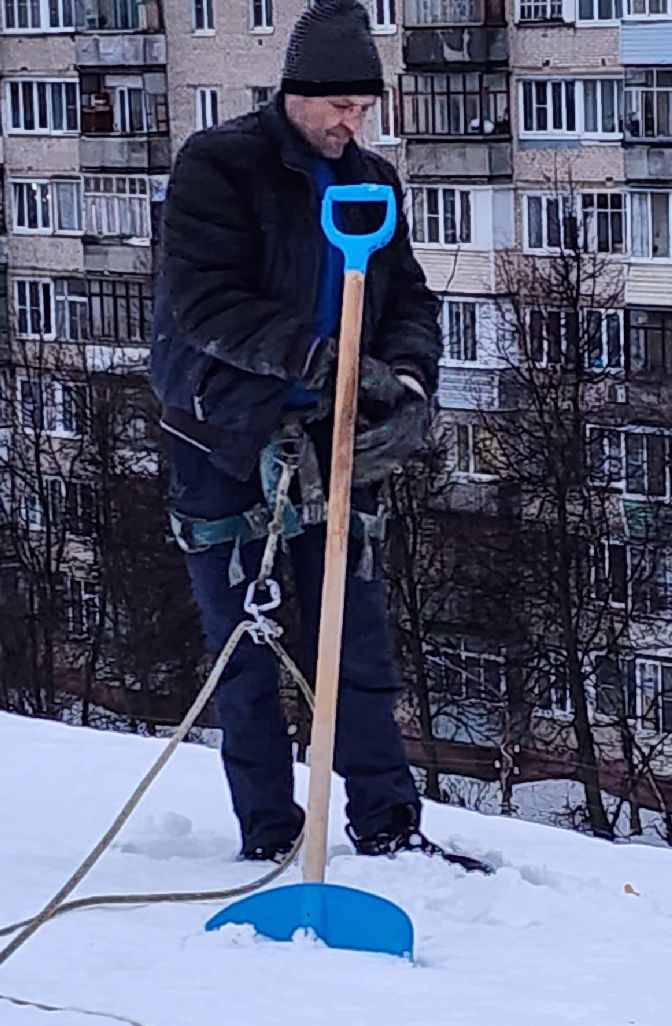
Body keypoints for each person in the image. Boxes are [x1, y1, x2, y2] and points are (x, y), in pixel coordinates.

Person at [150, 0, 487, 873]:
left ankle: (387, 826)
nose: (351, 124)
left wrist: (406, 383)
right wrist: (325, 360)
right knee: (246, 642)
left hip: (335, 434)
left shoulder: (370, 179)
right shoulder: (219, 167)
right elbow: (206, 305)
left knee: (354, 637)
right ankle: (269, 830)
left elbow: (406, 296)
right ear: (295, 93)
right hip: (222, 434)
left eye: (363, 109)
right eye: (339, 106)